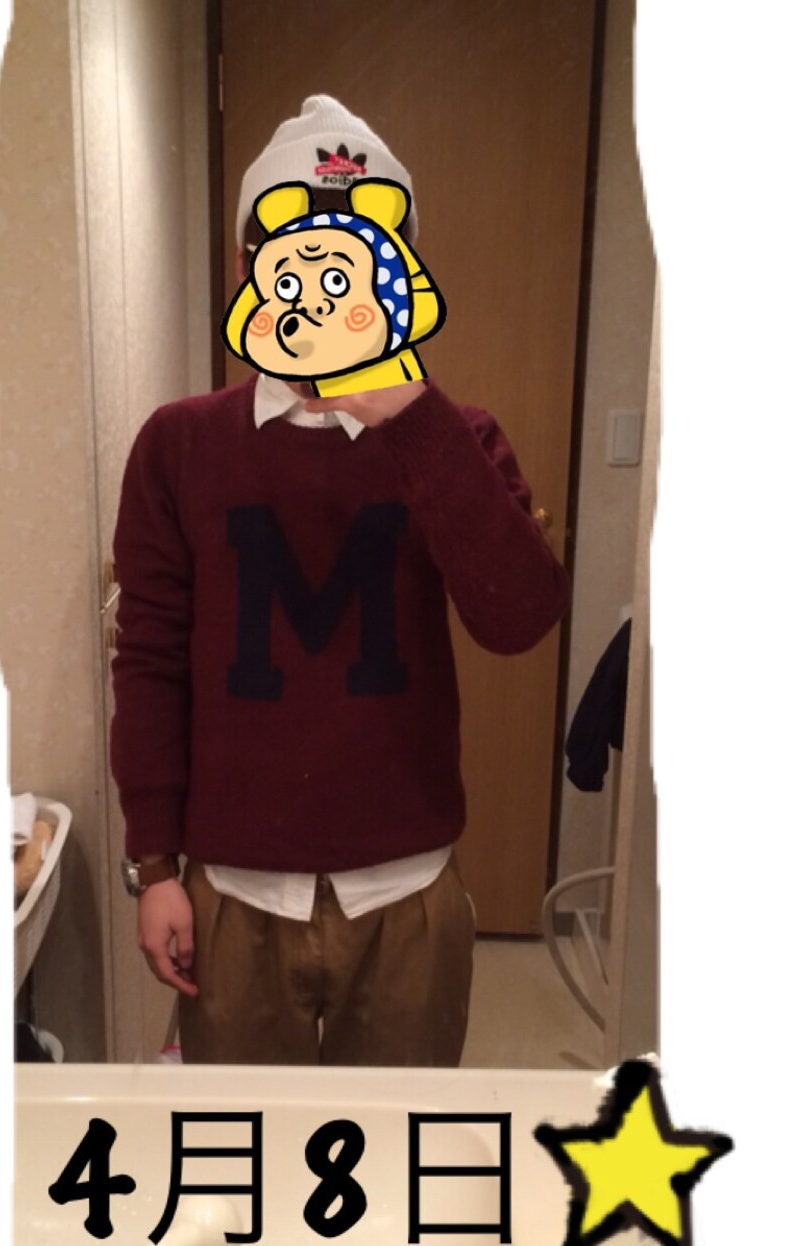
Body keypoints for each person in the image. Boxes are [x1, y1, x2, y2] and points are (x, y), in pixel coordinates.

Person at [110, 95, 570, 1067]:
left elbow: (521, 616)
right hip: (232, 888)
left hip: (408, 888)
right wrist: (153, 863)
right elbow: (148, 659)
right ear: (251, 269)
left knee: (395, 1145)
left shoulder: (456, 438)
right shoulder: (180, 445)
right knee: (245, 1145)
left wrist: (414, 419)